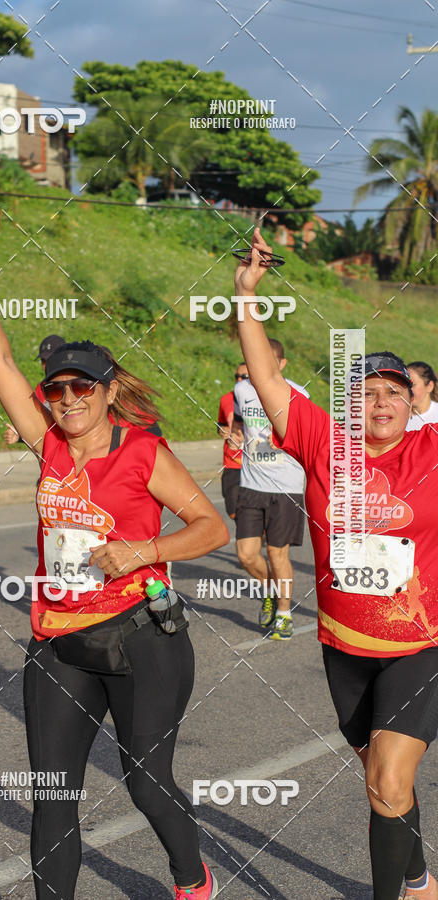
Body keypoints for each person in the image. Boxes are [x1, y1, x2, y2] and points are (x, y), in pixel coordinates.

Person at [0, 211, 228, 900]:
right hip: (57, 639)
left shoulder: (142, 453)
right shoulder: (46, 444)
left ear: (108, 391)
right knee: (52, 797)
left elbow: (209, 529)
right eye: (58, 390)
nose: (69, 399)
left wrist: (145, 550)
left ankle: (192, 878)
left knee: (144, 780)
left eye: (83, 387)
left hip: (140, 637)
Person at [234, 227, 438, 900]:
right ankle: (417, 877)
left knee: (386, 780)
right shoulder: (326, 444)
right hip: (344, 646)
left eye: (394, 393)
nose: (380, 404)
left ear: (415, 405)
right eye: (368, 393)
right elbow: (265, 378)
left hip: (420, 645)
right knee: (379, 778)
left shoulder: (431, 451)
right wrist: (246, 295)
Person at [233, 338, 308, 640]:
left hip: (286, 487)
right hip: (251, 484)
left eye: (270, 360)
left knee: (278, 554)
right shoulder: (241, 390)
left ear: (282, 364)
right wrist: (236, 436)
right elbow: (240, 423)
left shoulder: (298, 393)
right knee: (246, 555)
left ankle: (284, 614)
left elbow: (306, 436)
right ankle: (270, 591)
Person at [4, 334, 66, 444]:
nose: (45, 365)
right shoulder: (41, 388)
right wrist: (19, 436)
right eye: (43, 360)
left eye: (50, 360)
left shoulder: (77, 386)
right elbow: (39, 425)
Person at [217, 363, 246, 519]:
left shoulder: (261, 400)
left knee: (252, 513)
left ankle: (255, 535)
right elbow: (221, 424)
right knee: (233, 510)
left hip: (255, 464)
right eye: (237, 376)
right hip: (232, 463)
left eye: (244, 376)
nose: (239, 379)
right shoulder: (226, 399)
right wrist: (222, 431)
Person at [406, 362, 438, 431]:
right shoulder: (397, 415)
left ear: (430, 386)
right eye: (405, 385)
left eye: (412, 385)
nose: (407, 390)